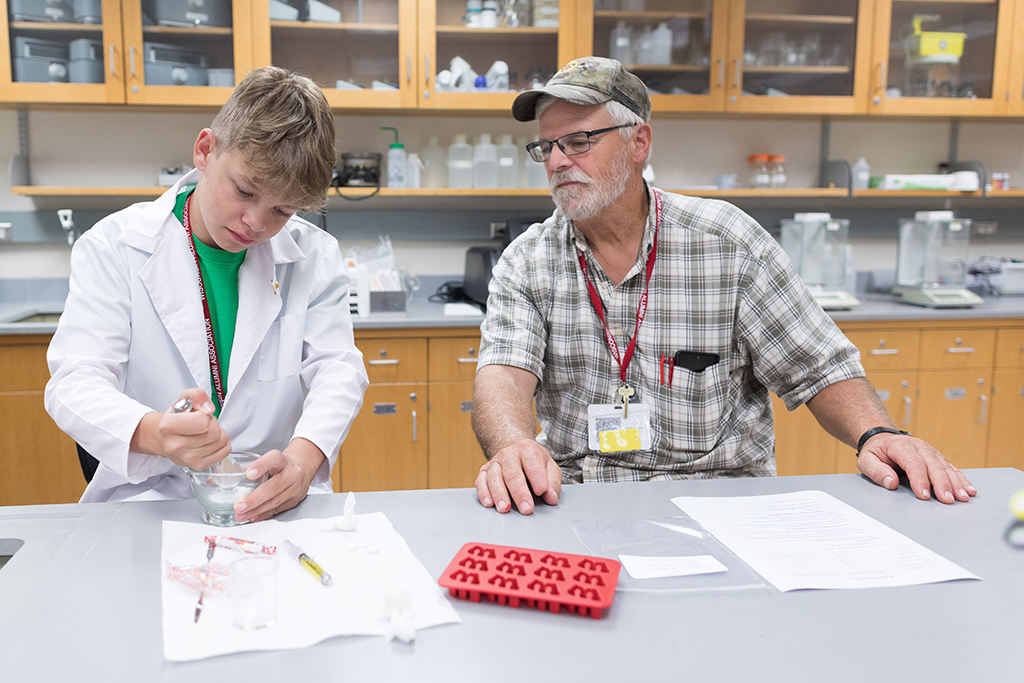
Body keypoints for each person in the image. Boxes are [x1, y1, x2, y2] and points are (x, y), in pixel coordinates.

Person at [472, 57, 976, 515]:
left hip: (719, 502)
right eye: (546, 147)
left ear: (638, 143)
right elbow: (503, 376)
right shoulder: (529, 259)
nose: (558, 161)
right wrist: (513, 446)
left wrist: (877, 433)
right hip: (579, 500)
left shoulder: (728, 242)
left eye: (579, 141)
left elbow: (818, 366)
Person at [45, 67, 369, 523]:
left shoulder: (314, 256)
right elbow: (74, 384)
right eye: (244, 191)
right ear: (205, 150)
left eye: (282, 209)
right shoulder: (114, 247)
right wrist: (155, 433)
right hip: (152, 499)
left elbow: (338, 369)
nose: (255, 222)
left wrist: (303, 458)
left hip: (270, 497)